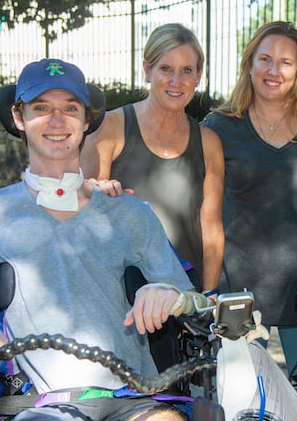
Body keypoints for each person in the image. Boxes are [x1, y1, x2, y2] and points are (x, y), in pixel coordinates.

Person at [0, 58, 204, 420]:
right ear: (19, 117)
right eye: (41, 108)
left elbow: (196, 304)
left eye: (70, 108)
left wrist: (170, 295)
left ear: (86, 120)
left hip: (134, 396)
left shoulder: (129, 212)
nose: (57, 121)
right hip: (43, 403)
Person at [201, 21, 297, 374]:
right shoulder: (219, 127)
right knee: (239, 392)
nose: (274, 71)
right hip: (237, 291)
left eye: (286, 62)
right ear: (249, 63)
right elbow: (200, 210)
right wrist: (207, 288)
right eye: (265, 59)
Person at [82, 23, 224, 294]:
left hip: (185, 296)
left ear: (199, 75)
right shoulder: (111, 128)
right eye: (165, 68)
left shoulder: (208, 143)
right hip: (122, 296)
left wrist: (209, 297)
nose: (176, 81)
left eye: (187, 70)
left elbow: (211, 230)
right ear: (147, 70)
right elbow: (85, 216)